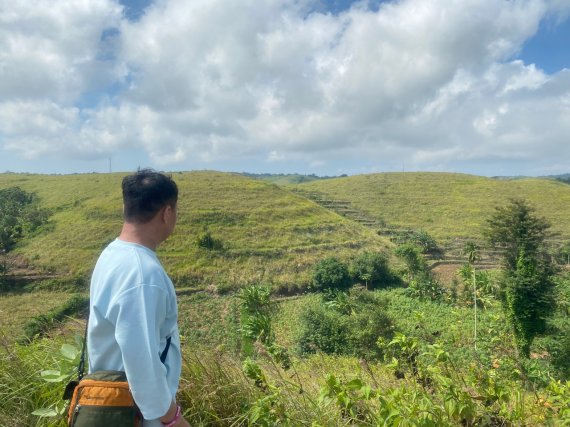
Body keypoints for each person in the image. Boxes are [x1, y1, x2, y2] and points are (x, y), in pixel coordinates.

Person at [87, 169, 190, 427]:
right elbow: (141, 360)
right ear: (167, 213)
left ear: (126, 206)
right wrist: (173, 419)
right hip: (137, 415)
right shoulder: (143, 273)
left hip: (112, 403)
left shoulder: (112, 254)